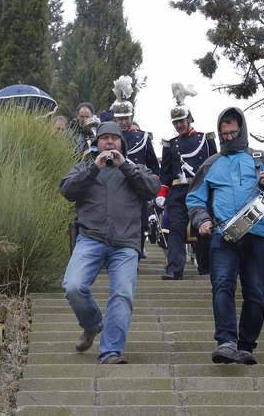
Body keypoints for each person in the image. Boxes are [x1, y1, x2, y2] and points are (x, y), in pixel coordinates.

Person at [187, 107, 264, 365]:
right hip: (223, 237)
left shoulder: (261, 159)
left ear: (242, 130)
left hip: (259, 236)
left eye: (233, 132)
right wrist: (202, 220)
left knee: (255, 293)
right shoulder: (211, 164)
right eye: (225, 133)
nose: (229, 137)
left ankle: (246, 345)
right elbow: (194, 199)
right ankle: (226, 342)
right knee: (222, 285)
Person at [60, 121, 160, 364]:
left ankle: (111, 351)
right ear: (97, 143)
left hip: (125, 244)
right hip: (90, 239)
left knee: (122, 294)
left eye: (113, 138)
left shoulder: (134, 168)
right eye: (104, 138)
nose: (109, 142)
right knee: (73, 286)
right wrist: (93, 169)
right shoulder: (86, 166)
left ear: (121, 144)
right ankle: (92, 324)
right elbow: (67, 190)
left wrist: (125, 166)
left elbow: (152, 189)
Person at [156, 83, 217, 279]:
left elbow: (215, 167)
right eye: (176, 122)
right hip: (178, 192)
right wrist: (162, 194)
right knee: (175, 229)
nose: (179, 125)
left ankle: (206, 268)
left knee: (204, 228)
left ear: (189, 118)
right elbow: (165, 174)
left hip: (200, 190)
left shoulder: (205, 139)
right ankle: (174, 270)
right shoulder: (170, 144)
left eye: (181, 121)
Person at [110, 75, 159, 259]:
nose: (123, 122)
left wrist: (152, 187)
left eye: (126, 118)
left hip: (137, 186)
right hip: (115, 186)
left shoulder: (144, 137)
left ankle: (136, 256)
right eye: (119, 118)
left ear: (132, 117)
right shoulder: (109, 138)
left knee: (139, 223)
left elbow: (154, 165)